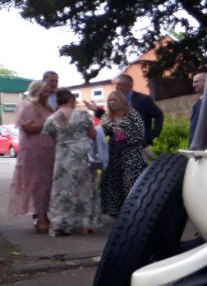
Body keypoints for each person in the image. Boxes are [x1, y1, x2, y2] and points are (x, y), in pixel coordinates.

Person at [43, 89, 98, 236]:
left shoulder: (51, 119)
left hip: (63, 156)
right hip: (81, 155)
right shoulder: (82, 115)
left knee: (62, 189)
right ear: (71, 100)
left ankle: (61, 224)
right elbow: (93, 134)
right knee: (85, 188)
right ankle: (86, 224)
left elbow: (53, 141)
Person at [7, 79, 56, 233]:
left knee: (47, 184)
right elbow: (28, 128)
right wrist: (49, 124)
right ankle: (40, 218)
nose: (47, 94)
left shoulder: (47, 107)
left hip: (49, 151)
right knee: (37, 185)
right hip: (33, 151)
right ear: (36, 91)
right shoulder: (27, 106)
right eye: (44, 91)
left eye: (48, 91)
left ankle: (44, 216)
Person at [100, 90, 148, 217]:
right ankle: (115, 211)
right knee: (113, 183)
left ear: (121, 100)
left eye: (114, 100)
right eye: (109, 100)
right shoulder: (106, 116)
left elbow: (140, 134)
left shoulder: (132, 114)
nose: (111, 103)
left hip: (131, 152)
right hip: (114, 153)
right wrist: (106, 128)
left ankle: (133, 210)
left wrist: (122, 134)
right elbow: (101, 134)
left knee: (130, 181)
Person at [112, 73, 164, 147]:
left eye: (119, 85)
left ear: (129, 86)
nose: (116, 87)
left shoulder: (143, 99)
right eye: (116, 84)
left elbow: (159, 115)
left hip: (141, 145)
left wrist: (153, 134)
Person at [189, 71, 207, 142]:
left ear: (206, 81)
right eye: (193, 82)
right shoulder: (198, 103)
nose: (193, 85)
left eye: (196, 82)